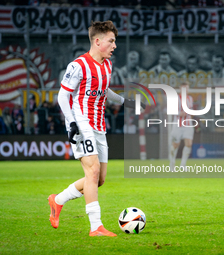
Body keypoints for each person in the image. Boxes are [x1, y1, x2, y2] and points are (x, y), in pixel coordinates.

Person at [48, 20, 140, 237]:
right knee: (92, 171)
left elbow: (104, 90)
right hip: (81, 124)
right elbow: (63, 95)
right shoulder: (78, 65)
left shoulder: (107, 65)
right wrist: (71, 123)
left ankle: (58, 200)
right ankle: (95, 226)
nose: (114, 46)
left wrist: (126, 101)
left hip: (99, 126)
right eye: (111, 41)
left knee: (99, 179)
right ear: (97, 41)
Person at [169, 81, 194, 172]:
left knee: (189, 144)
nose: (185, 90)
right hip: (177, 125)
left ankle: (183, 165)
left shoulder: (190, 98)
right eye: (183, 88)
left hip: (188, 124)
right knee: (175, 145)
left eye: (186, 88)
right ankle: (172, 164)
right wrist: (179, 113)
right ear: (180, 89)